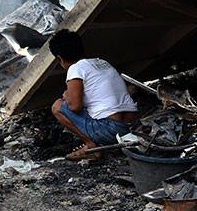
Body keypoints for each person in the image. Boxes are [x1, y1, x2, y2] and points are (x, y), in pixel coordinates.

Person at [47, 29, 137, 160]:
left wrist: (66, 95)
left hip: (112, 130)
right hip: (132, 125)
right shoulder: (102, 62)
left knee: (57, 106)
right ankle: (99, 143)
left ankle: (91, 146)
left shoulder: (75, 68)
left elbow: (74, 107)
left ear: (60, 58)